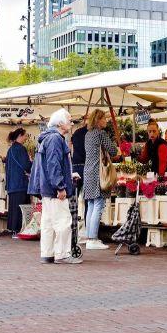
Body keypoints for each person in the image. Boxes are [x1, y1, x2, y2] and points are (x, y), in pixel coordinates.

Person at [28, 108, 81, 264]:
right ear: (60, 123)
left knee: (48, 223)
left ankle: (48, 253)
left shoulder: (48, 138)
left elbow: (50, 165)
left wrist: (66, 176)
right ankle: (62, 254)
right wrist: (60, 187)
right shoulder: (56, 139)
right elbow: (53, 164)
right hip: (54, 190)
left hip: (47, 188)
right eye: (69, 120)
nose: (72, 123)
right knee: (63, 221)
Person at [82, 109, 118, 249]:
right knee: (98, 205)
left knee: (91, 205)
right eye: (104, 118)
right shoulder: (101, 134)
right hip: (98, 173)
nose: (106, 120)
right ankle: (93, 239)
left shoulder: (88, 134)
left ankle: (89, 237)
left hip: (88, 172)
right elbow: (113, 151)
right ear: (98, 120)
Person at [5, 128, 32, 238]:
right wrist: (31, 162)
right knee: (22, 208)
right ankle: (19, 230)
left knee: (13, 208)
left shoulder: (11, 149)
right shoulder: (21, 149)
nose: (26, 138)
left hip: (12, 184)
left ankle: (13, 230)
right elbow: (26, 165)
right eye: (25, 136)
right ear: (20, 135)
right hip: (20, 183)